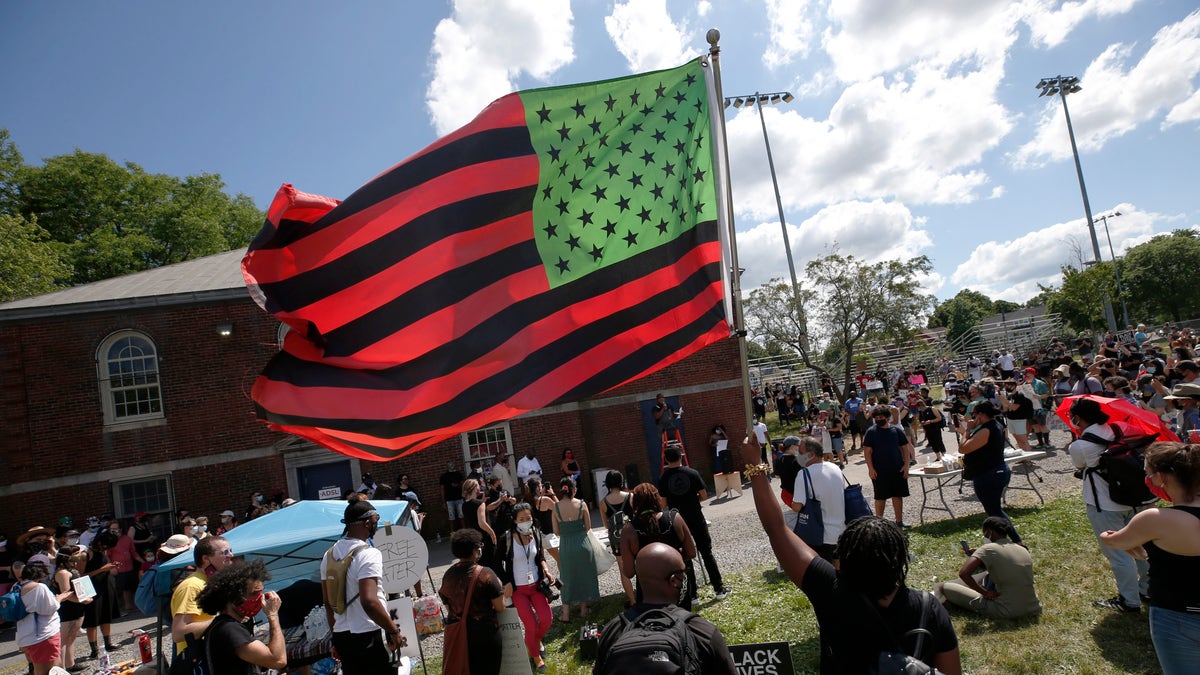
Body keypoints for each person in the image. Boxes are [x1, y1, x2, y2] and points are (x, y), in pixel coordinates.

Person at [738, 434, 962, 674]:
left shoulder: (830, 591)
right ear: (900, 559)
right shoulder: (929, 608)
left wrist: (756, 466)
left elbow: (777, 529)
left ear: (843, 558)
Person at [1099, 442, 1200, 673]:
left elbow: (1115, 540)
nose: (1148, 479)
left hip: (1177, 615)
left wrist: (1122, 536)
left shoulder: (1154, 520)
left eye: (1148, 474)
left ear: (1163, 477)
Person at [593, 543, 738, 674]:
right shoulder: (702, 631)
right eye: (683, 572)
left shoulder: (612, 631)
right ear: (674, 580)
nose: (685, 577)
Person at [1068, 397, 1150, 612]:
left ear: (1078, 418)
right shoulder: (1119, 428)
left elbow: (1080, 465)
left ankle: (1129, 600)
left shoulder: (1080, 445)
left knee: (1119, 553)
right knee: (1141, 547)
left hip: (1104, 502)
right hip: (1134, 498)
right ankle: (1148, 587)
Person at [320, 500, 405, 674]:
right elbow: (370, 602)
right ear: (367, 523)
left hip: (342, 636)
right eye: (376, 521)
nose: (377, 525)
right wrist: (393, 630)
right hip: (368, 634)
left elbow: (328, 603)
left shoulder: (328, 556)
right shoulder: (369, 554)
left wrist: (336, 638)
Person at [658, 445, 731, 601]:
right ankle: (719, 589)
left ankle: (692, 595)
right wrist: (691, 499)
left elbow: (663, 502)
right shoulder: (692, 473)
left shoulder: (663, 478)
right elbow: (704, 496)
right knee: (706, 552)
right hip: (696, 517)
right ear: (681, 456)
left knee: (685, 557)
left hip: (677, 521)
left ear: (666, 460)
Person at [935, 517, 1041, 619]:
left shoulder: (987, 549)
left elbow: (964, 573)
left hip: (1006, 610)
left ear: (989, 531)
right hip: (1033, 607)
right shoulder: (1022, 549)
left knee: (944, 587)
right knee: (987, 576)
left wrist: (985, 593)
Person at [196, 559, 286, 674]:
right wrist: (273, 615)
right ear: (233, 597)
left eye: (260, 592)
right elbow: (278, 660)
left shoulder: (224, 626)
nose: (260, 598)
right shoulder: (230, 629)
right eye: (254, 593)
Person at [497, 503, 555, 673]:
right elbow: (496, 562)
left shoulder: (536, 533)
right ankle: (536, 657)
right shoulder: (507, 539)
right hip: (518, 590)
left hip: (536, 586)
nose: (525, 522)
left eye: (528, 518)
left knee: (546, 619)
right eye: (521, 519)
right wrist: (506, 582)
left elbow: (541, 557)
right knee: (530, 624)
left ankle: (534, 641)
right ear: (515, 521)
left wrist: (546, 569)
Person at [620, 483, 697, 608]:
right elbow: (691, 552)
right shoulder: (674, 518)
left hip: (648, 591)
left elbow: (628, 572)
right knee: (682, 622)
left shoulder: (629, 531)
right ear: (657, 498)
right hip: (676, 584)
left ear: (634, 503)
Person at [439, 529, 505, 675]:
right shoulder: (486, 574)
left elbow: (449, 607)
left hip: (459, 635)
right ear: (475, 551)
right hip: (485, 635)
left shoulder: (448, 575)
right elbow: (500, 607)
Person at [956, 401, 1024, 544]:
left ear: (981, 415)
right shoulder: (995, 425)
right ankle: (1000, 541)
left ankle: (1016, 541)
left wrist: (967, 430)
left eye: (974, 415)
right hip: (995, 471)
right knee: (994, 510)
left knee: (995, 511)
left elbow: (963, 448)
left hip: (988, 474)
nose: (972, 418)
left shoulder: (986, 429)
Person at [170, 535, 234, 658]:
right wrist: (223, 620)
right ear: (206, 559)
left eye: (231, 550)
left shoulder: (211, 583)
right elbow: (178, 633)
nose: (231, 555)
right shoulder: (192, 586)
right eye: (225, 552)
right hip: (198, 662)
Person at [790, 438, 848, 563]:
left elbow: (797, 507)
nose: (798, 455)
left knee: (826, 575)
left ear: (811, 454)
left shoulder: (804, 474)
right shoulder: (835, 467)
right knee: (840, 568)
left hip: (820, 535)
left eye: (800, 452)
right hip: (841, 530)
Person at [553, 477, 600, 622]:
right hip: (582, 543)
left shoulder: (555, 507)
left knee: (566, 577)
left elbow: (556, 531)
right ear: (573, 489)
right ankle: (584, 610)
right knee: (584, 574)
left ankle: (565, 614)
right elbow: (588, 527)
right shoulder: (582, 504)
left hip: (566, 545)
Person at [862, 404, 915, 528]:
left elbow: (905, 449)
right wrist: (871, 469)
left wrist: (906, 465)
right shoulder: (871, 432)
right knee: (880, 497)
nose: (879, 419)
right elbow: (867, 452)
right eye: (877, 417)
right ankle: (878, 522)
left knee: (897, 495)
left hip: (897, 468)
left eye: (881, 417)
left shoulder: (896, 430)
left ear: (887, 417)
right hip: (879, 470)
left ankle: (899, 521)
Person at [15, 562, 68, 675]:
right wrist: (59, 598)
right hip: (44, 635)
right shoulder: (39, 587)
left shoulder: (16, 587)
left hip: (27, 635)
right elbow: (50, 608)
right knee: (49, 670)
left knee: (48, 667)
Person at [81, 530, 121, 658]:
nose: (106, 549)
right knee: (92, 619)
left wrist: (111, 566)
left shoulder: (101, 552)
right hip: (91, 587)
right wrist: (102, 569)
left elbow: (104, 565)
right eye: (105, 546)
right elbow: (80, 575)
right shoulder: (86, 554)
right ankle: (94, 649)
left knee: (106, 614)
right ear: (99, 542)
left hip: (105, 584)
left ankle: (108, 642)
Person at [599, 471, 636, 606]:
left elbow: (605, 525)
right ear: (621, 481)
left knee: (622, 569)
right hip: (632, 536)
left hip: (617, 540)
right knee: (639, 563)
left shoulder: (603, 503)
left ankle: (633, 600)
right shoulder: (630, 496)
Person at [53, 546, 91, 672]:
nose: (75, 562)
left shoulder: (72, 570)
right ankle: (62, 668)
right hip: (67, 610)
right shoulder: (62, 573)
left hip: (76, 608)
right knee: (64, 639)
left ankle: (70, 664)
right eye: (73, 559)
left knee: (71, 637)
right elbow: (66, 594)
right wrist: (82, 600)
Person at [462, 479, 497, 571]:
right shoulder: (480, 504)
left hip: (473, 537)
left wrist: (482, 502)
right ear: (474, 488)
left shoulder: (464, 505)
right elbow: (482, 523)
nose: (479, 488)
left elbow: (472, 516)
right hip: (484, 537)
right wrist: (492, 533)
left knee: (479, 564)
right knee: (491, 564)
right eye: (478, 486)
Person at [440, 461, 466, 532]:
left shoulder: (458, 474)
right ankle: (452, 532)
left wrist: (458, 485)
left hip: (459, 498)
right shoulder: (444, 476)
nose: (451, 466)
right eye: (450, 465)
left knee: (461, 516)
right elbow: (442, 489)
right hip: (449, 499)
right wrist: (443, 501)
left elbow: (463, 485)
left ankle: (464, 531)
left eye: (452, 464)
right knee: (451, 517)